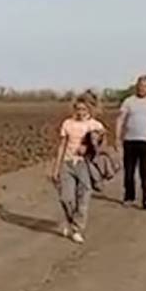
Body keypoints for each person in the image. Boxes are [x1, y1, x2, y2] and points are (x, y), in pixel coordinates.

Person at [50, 96, 106, 243]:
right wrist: (56, 168)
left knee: (83, 198)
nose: (81, 112)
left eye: (84, 109)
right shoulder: (67, 124)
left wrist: (88, 147)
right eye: (78, 109)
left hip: (84, 165)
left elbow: (102, 145)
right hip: (67, 163)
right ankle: (70, 221)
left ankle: (77, 228)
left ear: (89, 110)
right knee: (66, 198)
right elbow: (62, 146)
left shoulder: (95, 125)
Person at [115, 74, 146, 209]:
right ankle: (129, 196)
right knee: (129, 171)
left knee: (145, 171)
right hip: (130, 141)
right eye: (141, 85)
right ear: (137, 86)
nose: (143, 88)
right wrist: (117, 138)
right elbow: (120, 119)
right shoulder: (128, 102)